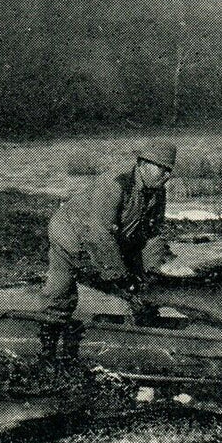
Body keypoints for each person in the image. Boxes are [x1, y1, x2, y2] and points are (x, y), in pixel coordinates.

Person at [37, 141, 177, 360]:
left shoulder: (157, 193)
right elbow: (98, 234)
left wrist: (160, 269)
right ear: (142, 163)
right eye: (162, 168)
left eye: (169, 170)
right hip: (71, 232)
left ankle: (144, 338)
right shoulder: (114, 183)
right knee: (61, 291)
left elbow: (152, 235)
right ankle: (47, 352)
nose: (166, 176)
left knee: (144, 289)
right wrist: (121, 277)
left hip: (114, 237)